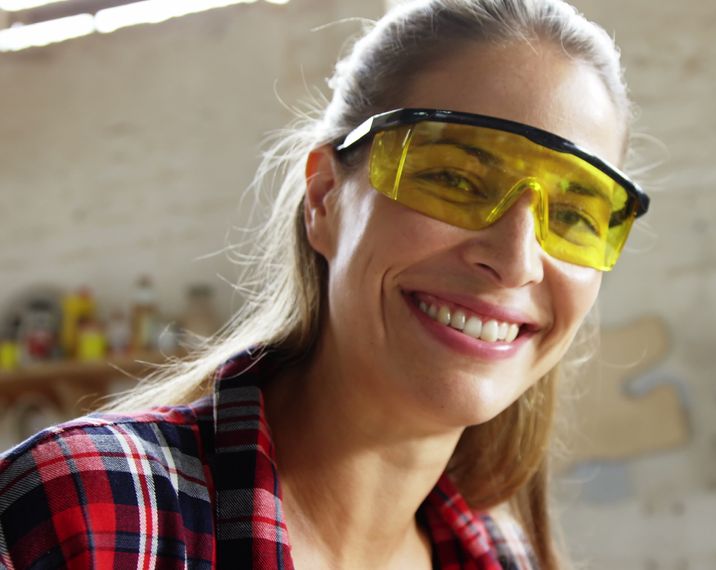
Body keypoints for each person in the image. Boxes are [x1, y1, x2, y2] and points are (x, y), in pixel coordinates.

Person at [0, 0, 650, 568]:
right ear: (325, 199)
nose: (516, 260)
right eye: (453, 178)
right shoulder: (88, 517)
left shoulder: (505, 560)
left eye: (571, 215)